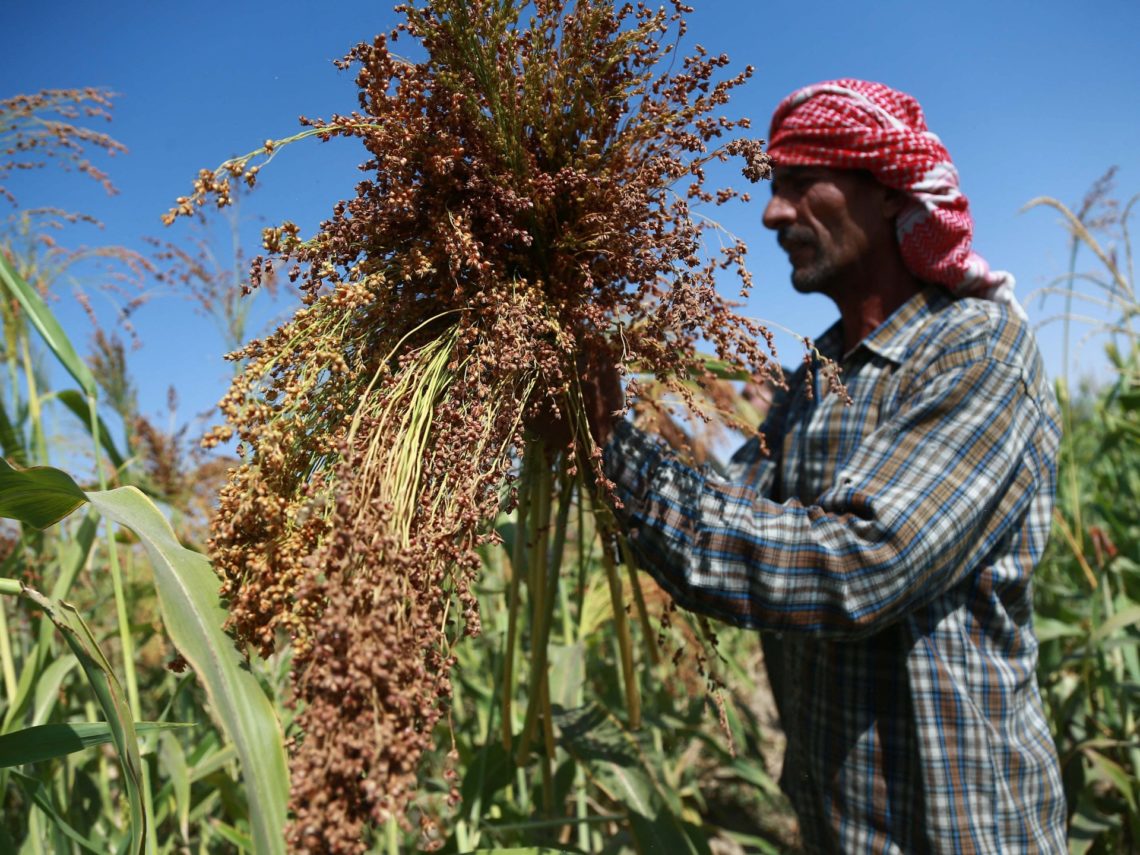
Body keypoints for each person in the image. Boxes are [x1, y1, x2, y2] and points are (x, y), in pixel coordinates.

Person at [594, 80, 1068, 852]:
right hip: (837, 825)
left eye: (798, 182)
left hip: (959, 830)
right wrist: (601, 424)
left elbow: (859, 563)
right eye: (771, 187)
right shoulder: (813, 378)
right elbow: (732, 510)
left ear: (888, 191)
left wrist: (616, 448)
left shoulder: (977, 349)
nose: (773, 213)